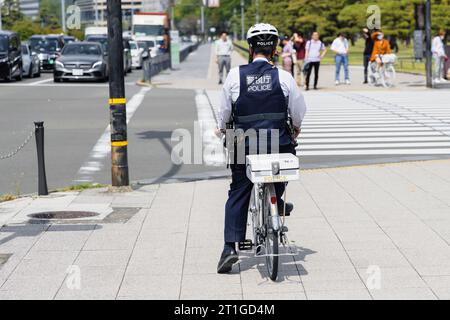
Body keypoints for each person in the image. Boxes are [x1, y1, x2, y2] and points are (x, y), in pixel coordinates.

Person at [215, 23, 307, 274]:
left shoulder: (235, 75)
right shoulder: (284, 77)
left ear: (250, 48)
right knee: (282, 167)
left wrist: (221, 127)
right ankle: (277, 197)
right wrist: (295, 127)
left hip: (241, 141)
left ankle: (229, 248)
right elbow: (298, 110)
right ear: (275, 48)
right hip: (277, 140)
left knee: (238, 189)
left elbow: (223, 111)